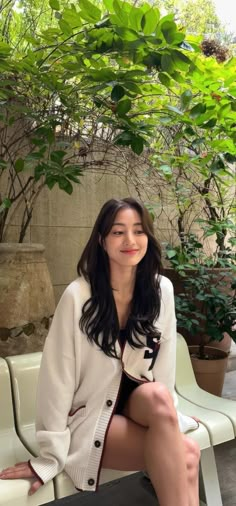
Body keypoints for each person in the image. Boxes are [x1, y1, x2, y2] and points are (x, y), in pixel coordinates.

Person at [0, 197, 200, 506]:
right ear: (101, 240)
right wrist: (50, 455)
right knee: (187, 454)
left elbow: (164, 366)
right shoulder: (79, 296)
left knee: (159, 396)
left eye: (138, 230)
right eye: (118, 232)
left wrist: (172, 420)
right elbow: (57, 379)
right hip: (93, 415)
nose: (130, 240)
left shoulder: (161, 290)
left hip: (140, 403)